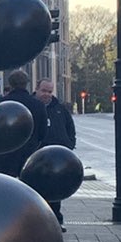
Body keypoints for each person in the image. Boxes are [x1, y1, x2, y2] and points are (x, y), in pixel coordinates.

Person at [33, 78, 77, 225]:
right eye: (44, 91)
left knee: (55, 191)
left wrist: (69, 143)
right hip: (38, 158)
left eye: (50, 91)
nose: (47, 94)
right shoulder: (33, 107)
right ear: (37, 89)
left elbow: (70, 127)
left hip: (57, 158)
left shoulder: (59, 109)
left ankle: (56, 220)